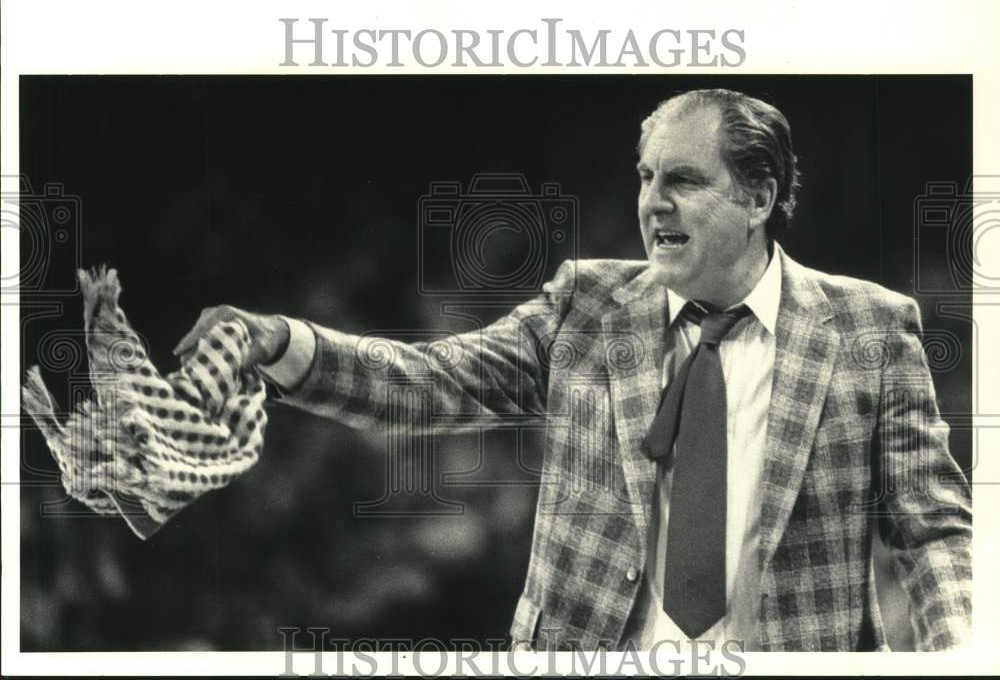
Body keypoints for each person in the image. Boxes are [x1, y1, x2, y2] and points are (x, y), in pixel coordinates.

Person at [174, 88, 972, 652]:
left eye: (684, 181)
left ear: (759, 197)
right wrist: (280, 340)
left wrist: (960, 653)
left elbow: (932, 529)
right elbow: (429, 383)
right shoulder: (585, 306)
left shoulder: (872, 326)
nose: (653, 201)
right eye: (646, 176)